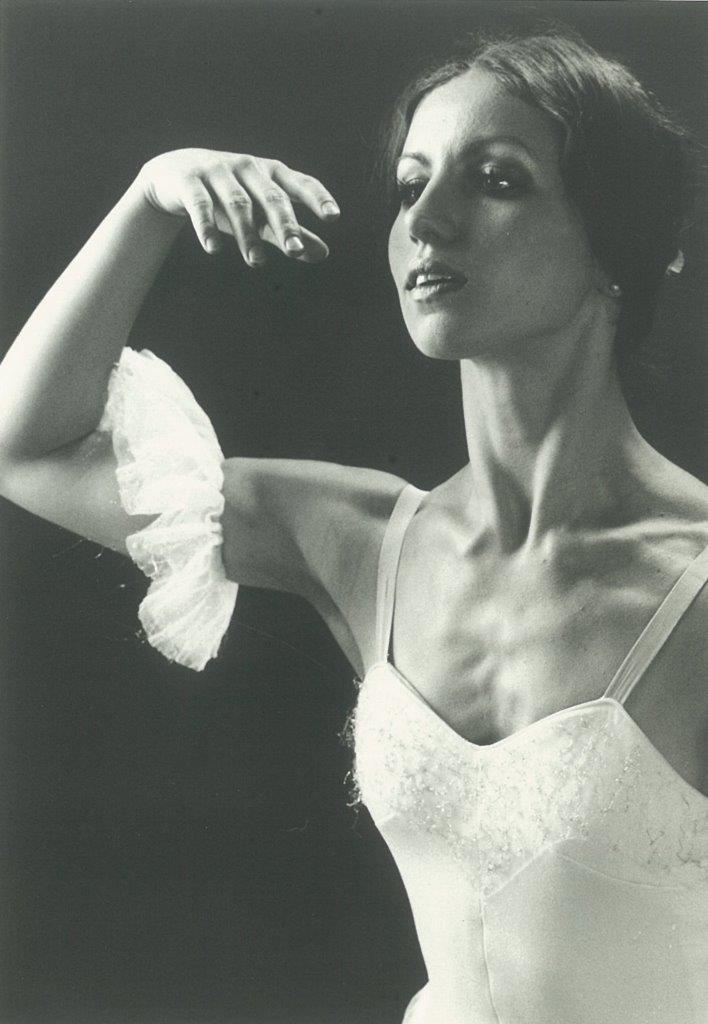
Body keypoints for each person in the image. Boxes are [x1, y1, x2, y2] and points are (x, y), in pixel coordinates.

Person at [0, 28, 706, 1024]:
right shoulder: (370, 540)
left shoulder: (693, 583)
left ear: (614, 243)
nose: (429, 222)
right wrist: (151, 196)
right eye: (413, 185)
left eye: (496, 180)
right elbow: (27, 448)